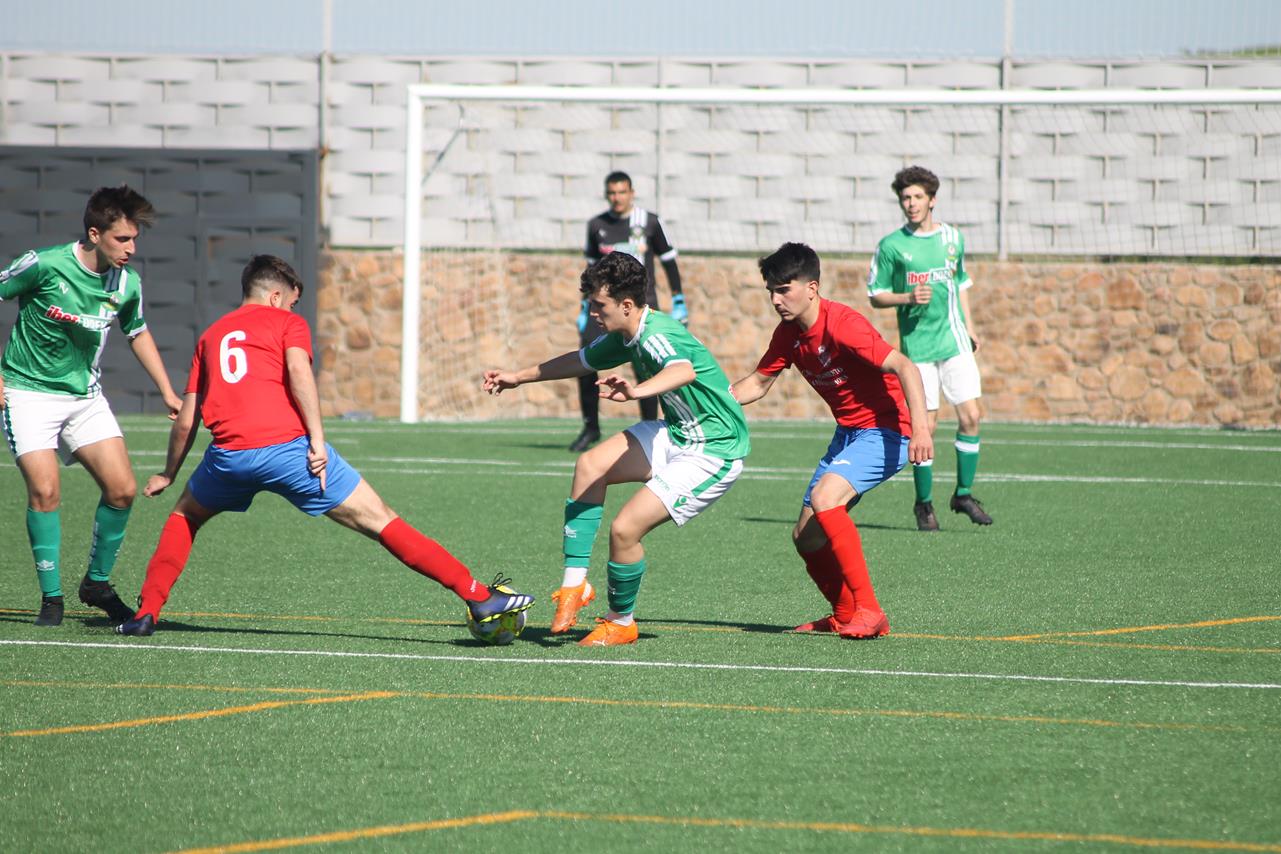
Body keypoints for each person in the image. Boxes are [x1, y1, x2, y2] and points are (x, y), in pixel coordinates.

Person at [115, 255, 533, 637]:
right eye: (293, 303)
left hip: (228, 458)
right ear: (276, 296)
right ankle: (479, 596)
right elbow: (298, 370)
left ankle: (146, 612)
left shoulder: (210, 336)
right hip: (290, 453)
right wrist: (317, 439)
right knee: (382, 521)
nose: (295, 311)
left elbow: (188, 417)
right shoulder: (286, 324)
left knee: (184, 517)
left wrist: (169, 472)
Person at [484, 251, 748, 646]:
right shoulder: (628, 333)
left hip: (714, 450)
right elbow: (581, 360)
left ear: (626, 305)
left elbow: (683, 370)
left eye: (598, 304)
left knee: (624, 530)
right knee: (590, 465)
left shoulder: (659, 335)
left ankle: (621, 621)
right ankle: (574, 588)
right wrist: (517, 378)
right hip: (678, 433)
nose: (592, 312)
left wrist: (636, 391)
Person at [0, 186, 184, 628]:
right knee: (46, 492)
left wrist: (167, 391)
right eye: (123, 239)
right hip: (28, 394)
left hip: (84, 398)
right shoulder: (43, 265)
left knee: (122, 489)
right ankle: (52, 598)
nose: (131, 248)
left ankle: (96, 584)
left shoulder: (127, 283)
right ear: (95, 233)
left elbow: (136, 332)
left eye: (135, 239)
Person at [732, 243, 932, 638]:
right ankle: (843, 613)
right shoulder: (788, 333)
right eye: (771, 291)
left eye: (783, 289)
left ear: (812, 287)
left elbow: (904, 366)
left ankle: (870, 611)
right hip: (849, 433)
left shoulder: (843, 324)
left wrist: (922, 429)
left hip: (887, 428)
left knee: (826, 500)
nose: (776, 300)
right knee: (805, 536)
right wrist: (710, 403)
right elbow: (756, 383)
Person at [868, 165, 993, 531]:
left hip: (954, 342)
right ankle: (924, 505)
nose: (911, 203)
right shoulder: (892, 246)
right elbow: (875, 295)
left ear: (932, 200)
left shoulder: (953, 239)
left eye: (918, 196)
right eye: (905, 198)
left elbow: (960, 284)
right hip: (917, 351)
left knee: (971, 416)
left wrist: (970, 328)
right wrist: (906, 296)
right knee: (928, 426)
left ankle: (963, 494)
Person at [571, 171, 686, 452]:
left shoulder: (648, 221)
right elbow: (590, 271)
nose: (617, 198)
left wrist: (678, 298)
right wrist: (585, 307)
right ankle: (590, 427)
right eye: (612, 193)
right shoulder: (596, 225)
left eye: (622, 192)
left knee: (646, 366)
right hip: (604, 308)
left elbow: (669, 262)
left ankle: (650, 426)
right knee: (585, 362)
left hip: (641, 306)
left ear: (631, 193)